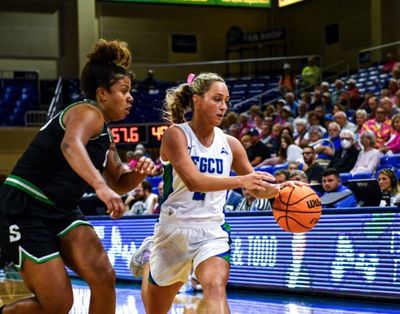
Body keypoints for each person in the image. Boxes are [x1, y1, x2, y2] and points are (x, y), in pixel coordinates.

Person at [0, 39, 156, 313]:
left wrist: (137, 175)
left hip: (61, 210)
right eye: (124, 90)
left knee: (103, 275)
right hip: (24, 207)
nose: (130, 97)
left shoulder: (106, 133)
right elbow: (70, 145)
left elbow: (118, 181)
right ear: (102, 94)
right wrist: (100, 187)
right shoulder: (87, 111)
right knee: (58, 304)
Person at [130, 72, 299, 314]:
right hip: (172, 230)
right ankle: (148, 258)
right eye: (217, 99)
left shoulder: (231, 144)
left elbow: (254, 186)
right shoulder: (175, 135)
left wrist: (278, 191)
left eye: (226, 101)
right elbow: (193, 181)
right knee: (155, 311)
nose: (223, 107)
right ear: (197, 100)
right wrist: (241, 179)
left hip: (211, 230)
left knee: (215, 288)